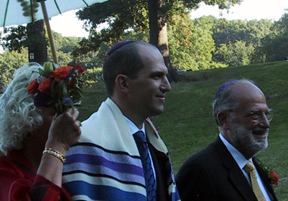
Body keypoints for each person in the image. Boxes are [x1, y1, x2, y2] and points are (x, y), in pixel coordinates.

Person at [63, 40, 180, 201]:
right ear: (123, 83)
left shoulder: (154, 144)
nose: (167, 86)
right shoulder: (83, 144)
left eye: (166, 76)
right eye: (157, 76)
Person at [176, 79, 278, 201]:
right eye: (254, 114)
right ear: (224, 120)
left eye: (266, 114)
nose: (266, 123)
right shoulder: (199, 171)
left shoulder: (252, 166)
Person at [0, 62, 82, 201]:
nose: (69, 120)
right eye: (56, 112)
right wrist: (57, 145)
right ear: (26, 120)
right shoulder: (4, 174)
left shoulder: (67, 171)